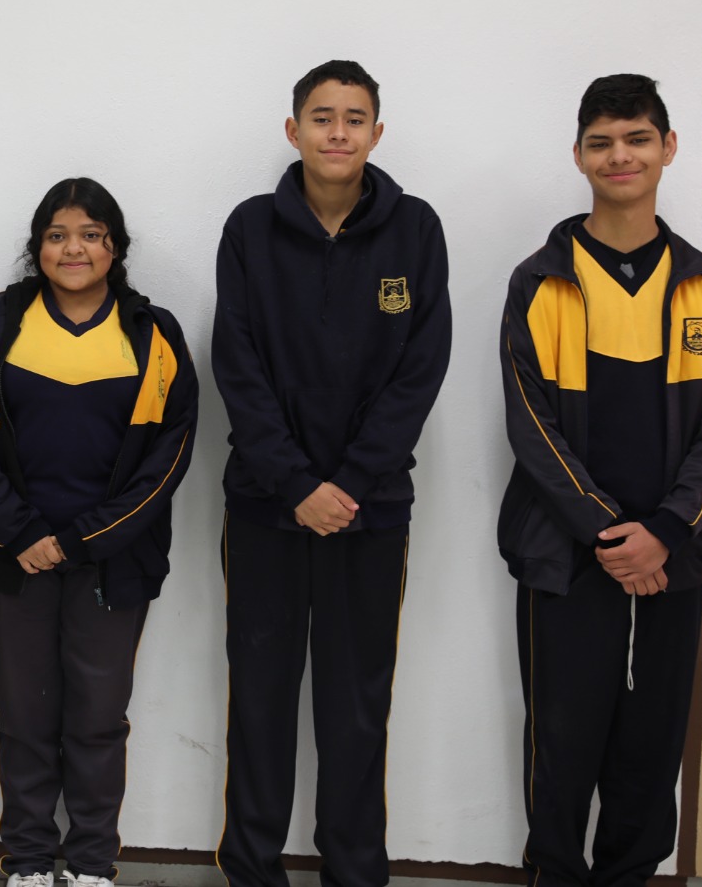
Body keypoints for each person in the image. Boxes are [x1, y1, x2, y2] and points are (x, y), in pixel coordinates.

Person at [498, 74, 702, 887]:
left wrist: (664, 533)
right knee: (561, 744)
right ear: (578, 155)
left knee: (651, 748)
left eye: (637, 138)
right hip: (565, 556)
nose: (620, 156)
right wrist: (612, 535)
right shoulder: (541, 281)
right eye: (601, 142)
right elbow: (531, 427)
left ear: (668, 148)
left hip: (674, 557)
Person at [213, 60, 451, 887]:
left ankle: (354, 872)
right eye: (322, 117)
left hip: (370, 511)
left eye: (354, 118)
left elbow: (420, 370)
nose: (338, 132)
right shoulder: (249, 229)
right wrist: (296, 485)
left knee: (356, 708)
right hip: (265, 508)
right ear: (294, 131)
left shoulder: (415, 229)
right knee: (260, 703)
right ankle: (252, 870)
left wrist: (347, 485)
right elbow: (236, 366)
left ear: (377, 133)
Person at [0, 178, 199, 887]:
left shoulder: (153, 332)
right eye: (57, 235)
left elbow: (170, 453)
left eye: (91, 235)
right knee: (24, 716)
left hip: (113, 562)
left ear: (115, 247)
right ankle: (27, 862)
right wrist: (19, 532)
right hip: (12, 558)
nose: (74, 249)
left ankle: (90, 864)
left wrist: (86, 539)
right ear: (38, 248)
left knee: (97, 719)